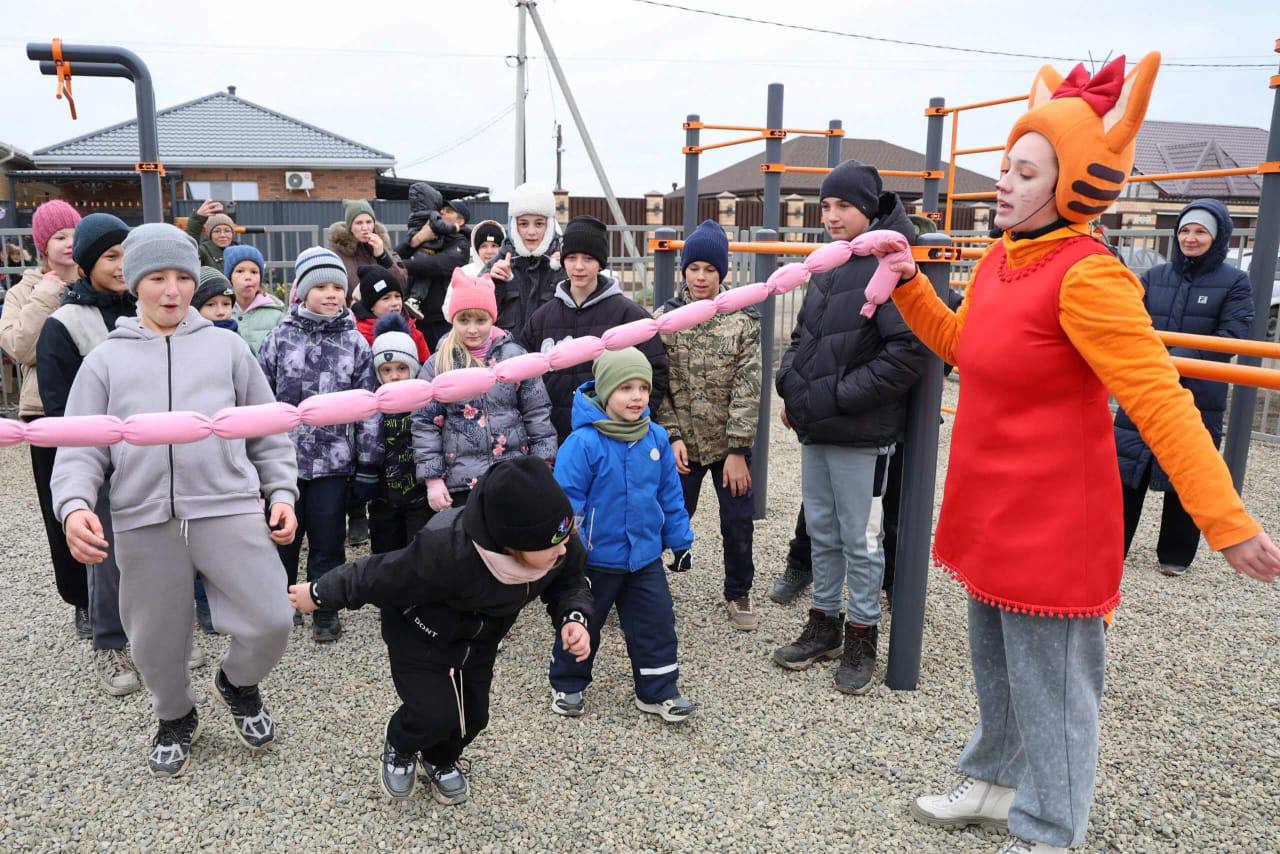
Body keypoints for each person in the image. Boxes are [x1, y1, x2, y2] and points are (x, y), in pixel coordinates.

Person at [888, 55, 1280, 853]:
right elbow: (970, 347)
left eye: (1023, 172)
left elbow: (1158, 399)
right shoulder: (1003, 257)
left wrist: (1224, 518)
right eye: (1005, 167)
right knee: (996, 665)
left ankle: (1048, 830)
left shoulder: (1088, 275)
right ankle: (995, 783)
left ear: (1070, 185)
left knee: (1057, 689)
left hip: (1055, 517)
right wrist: (908, 286)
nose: (1002, 182)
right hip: (993, 503)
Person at [51, 223, 299, 778]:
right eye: (157, 278)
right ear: (134, 284)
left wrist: (281, 490)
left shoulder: (228, 347)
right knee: (154, 644)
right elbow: (79, 445)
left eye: (183, 277)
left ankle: (237, 683)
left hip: (227, 505)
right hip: (141, 518)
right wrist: (75, 506)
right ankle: (175, 714)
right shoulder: (105, 361)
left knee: (272, 618)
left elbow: (267, 429)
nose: (172, 291)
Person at [288, 456, 591, 803]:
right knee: (433, 713)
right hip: (419, 637)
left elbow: (571, 582)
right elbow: (377, 574)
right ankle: (400, 743)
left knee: (473, 718)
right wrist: (318, 593)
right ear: (512, 546)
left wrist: (573, 617)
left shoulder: (555, 540)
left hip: (479, 641)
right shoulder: (446, 550)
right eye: (555, 546)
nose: (565, 548)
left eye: (568, 536)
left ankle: (439, 758)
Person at [771, 159, 929, 696]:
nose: (831, 216)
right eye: (825, 206)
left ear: (867, 209)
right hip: (819, 425)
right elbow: (802, 338)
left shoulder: (890, 264)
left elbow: (907, 353)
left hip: (860, 432)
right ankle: (825, 622)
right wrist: (789, 384)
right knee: (822, 530)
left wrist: (836, 396)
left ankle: (863, 633)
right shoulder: (831, 264)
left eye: (842, 206)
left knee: (862, 538)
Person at [547, 348, 696, 723]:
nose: (637, 397)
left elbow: (669, 494)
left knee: (656, 622)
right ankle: (568, 682)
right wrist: (564, 549)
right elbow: (566, 502)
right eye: (626, 388)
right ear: (606, 390)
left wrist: (680, 540)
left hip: (644, 556)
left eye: (643, 388)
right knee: (583, 623)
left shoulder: (656, 437)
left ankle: (658, 690)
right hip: (595, 559)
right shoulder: (583, 443)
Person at [36, 212, 146, 694]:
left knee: (157, 549)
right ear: (85, 263)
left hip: (153, 454)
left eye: (127, 254)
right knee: (107, 556)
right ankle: (110, 644)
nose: (122, 266)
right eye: (110, 256)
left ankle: (154, 635)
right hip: (100, 459)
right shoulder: (65, 323)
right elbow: (60, 405)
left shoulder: (147, 308)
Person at [1115, 199, 1253, 577]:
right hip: (1145, 384)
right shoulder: (1155, 276)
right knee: (1127, 467)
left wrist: (1179, 354)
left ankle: (1175, 556)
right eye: (1186, 231)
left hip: (1199, 392)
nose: (1191, 238)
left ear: (1217, 237)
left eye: (1200, 232)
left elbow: (1234, 334)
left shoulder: (1235, 282)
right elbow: (1131, 320)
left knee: (1187, 470)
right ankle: (1113, 546)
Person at [257, 247, 381, 643]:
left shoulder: (356, 343)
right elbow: (257, 398)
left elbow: (369, 407)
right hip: (283, 462)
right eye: (321, 286)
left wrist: (367, 463)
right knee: (282, 536)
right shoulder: (279, 338)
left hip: (333, 461)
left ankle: (323, 604)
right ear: (302, 291)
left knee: (328, 538)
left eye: (337, 287)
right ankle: (280, 603)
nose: (330, 294)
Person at [653, 220, 762, 629]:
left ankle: (739, 591)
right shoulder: (666, 319)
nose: (700, 278)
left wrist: (737, 449)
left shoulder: (742, 321)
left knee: (737, 522)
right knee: (666, 516)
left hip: (728, 445)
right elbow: (660, 384)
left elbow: (748, 387)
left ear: (723, 274)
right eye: (693, 268)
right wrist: (671, 436)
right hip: (681, 443)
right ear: (683, 270)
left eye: (709, 270)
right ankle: (649, 588)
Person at [0, 199, 89, 636]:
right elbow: (19, 348)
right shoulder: (24, 291)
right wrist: (50, 292)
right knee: (62, 510)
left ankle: (121, 592)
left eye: (74, 233)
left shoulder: (100, 277)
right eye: (58, 236)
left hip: (101, 409)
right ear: (42, 244)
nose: (69, 243)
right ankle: (81, 598)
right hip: (45, 413)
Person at [412, 270, 557, 510]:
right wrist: (433, 479)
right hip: (461, 482)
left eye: (481, 321)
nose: (472, 329)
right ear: (452, 319)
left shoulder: (515, 357)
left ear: (493, 319)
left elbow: (537, 412)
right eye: (463, 320)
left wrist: (542, 465)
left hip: (513, 474)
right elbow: (424, 422)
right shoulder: (439, 364)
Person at [519, 215, 669, 443]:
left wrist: (630, 423)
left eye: (588, 258)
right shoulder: (541, 318)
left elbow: (656, 373)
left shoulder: (630, 316)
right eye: (572, 258)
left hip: (613, 439)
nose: (579, 266)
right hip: (554, 440)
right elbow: (525, 379)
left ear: (600, 263)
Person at [367, 313, 431, 555]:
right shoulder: (372, 405)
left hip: (419, 495)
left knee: (419, 553)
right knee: (385, 553)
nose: (394, 376)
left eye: (402, 368)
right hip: (382, 496)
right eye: (387, 369)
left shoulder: (424, 402)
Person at [399, 182, 472, 349]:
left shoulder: (461, 242)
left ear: (460, 221)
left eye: (449, 211)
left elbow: (436, 265)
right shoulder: (426, 232)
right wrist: (418, 239)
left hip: (442, 321)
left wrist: (401, 265)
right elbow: (396, 253)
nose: (442, 212)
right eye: (442, 208)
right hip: (414, 318)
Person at [484, 183, 562, 334]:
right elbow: (475, 315)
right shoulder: (498, 264)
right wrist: (492, 283)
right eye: (523, 224)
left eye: (539, 224)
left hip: (549, 352)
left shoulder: (562, 263)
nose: (531, 232)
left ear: (549, 226)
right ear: (514, 226)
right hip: (508, 354)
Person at [352, 265, 430, 364]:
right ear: (371, 306)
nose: (395, 303)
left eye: (397, 296)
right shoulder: (360, 337)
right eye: (386, 298)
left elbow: (426, 368)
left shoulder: (413, 332)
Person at [327, 199, 407, 297]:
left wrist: (382, 256)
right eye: (359, 223)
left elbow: (402, 283)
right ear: (350, 227)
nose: (365, 227)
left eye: (369, 222)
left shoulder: (384, 247)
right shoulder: (337, 254)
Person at [222, 245, 283, 355]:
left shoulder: (276, 314)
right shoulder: (219, 311)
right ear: (229, 277)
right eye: (240, 271)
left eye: (254, 272)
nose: (248, 277)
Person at [183, 199, 238, 269]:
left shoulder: (240, 249)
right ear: (209, 234)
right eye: (217, 231)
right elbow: (187, 250)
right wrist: (196, 219)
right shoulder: (203, 252)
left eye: (227, 231)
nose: (223, 235)